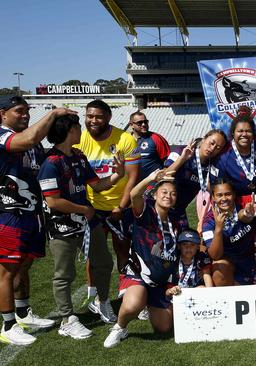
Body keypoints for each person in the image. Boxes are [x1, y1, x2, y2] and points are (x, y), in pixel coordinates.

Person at [38, 114, 125, 338]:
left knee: (104, 262)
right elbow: (53, 201)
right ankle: (67, 318)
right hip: (62, 225)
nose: (81, 130)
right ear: (69, 130)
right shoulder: (51, 162)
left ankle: (102, 301)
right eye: (78, 126)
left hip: (87, 221)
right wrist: (83, 209)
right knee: (64, 273)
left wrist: (117, 174)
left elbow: (97, 185)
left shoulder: (78, 155)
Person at [0, 96, 74, 345]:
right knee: (6, 271)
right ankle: (8, 325)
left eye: (27, 111)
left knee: (24, 265)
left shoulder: (35, 144)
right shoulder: (3, 135)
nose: (25, 115)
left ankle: (22, 313)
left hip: (32, 214)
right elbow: (29, 138)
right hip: (9, 212)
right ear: (3, 114)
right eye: (19, 111)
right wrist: (54, 114)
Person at [104, 169, 187, 348]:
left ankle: (150, 303)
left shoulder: (177, 220)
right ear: (155, 195)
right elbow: (134, 194)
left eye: (172, 194)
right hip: (138, 273)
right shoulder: (145, 212)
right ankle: (120, 327)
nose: (168, 196)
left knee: (164, 328)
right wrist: (150, 178)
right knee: (134, 304)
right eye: (164, 192)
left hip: (162, 281)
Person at [75, 99, 140, 309]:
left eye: (98, 117)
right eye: (89, 116)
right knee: (93, 253)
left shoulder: (125, 139)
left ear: (108, 117)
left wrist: (121, 206)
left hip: (120, 206)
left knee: (123, 249)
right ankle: (93, 293)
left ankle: (124, 290)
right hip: (92, 206)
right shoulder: (79, 139)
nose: (93, 121)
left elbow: (132, 177)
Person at [201, 179, 256, 286]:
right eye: (219, 195)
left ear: (234, 194)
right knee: (218, 267)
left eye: (228, 194)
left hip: (250, 258)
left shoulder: (245, 203)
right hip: (228, 262)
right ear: (213, 197)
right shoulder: (209, 221)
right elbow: (215, 256)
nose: (224, 199)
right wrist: (218, 229)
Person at [164, 129, 227, 213]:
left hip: (179, 210)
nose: (212, 148)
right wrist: (182, 159)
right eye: (211, 143)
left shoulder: (213, 166)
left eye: (218, 148)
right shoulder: (181, 151)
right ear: (204, 138)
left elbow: (213, 190)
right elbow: (164, 175)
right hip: (162, 204)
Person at [216, 107, 256, 203]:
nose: (244, 134)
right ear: (233, 133)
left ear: (253, 134)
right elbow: (218, 188)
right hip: (238, 205)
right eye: (240, 131)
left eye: (248, 131)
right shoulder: (224, 157)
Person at [129, 111, 170, 182]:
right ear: (131, 125)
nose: (144, 124)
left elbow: (168, 162)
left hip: (153, 184)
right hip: (133, 185)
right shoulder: (126, 140)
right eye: (139, 123)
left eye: (145, 122)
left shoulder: (156, 138)